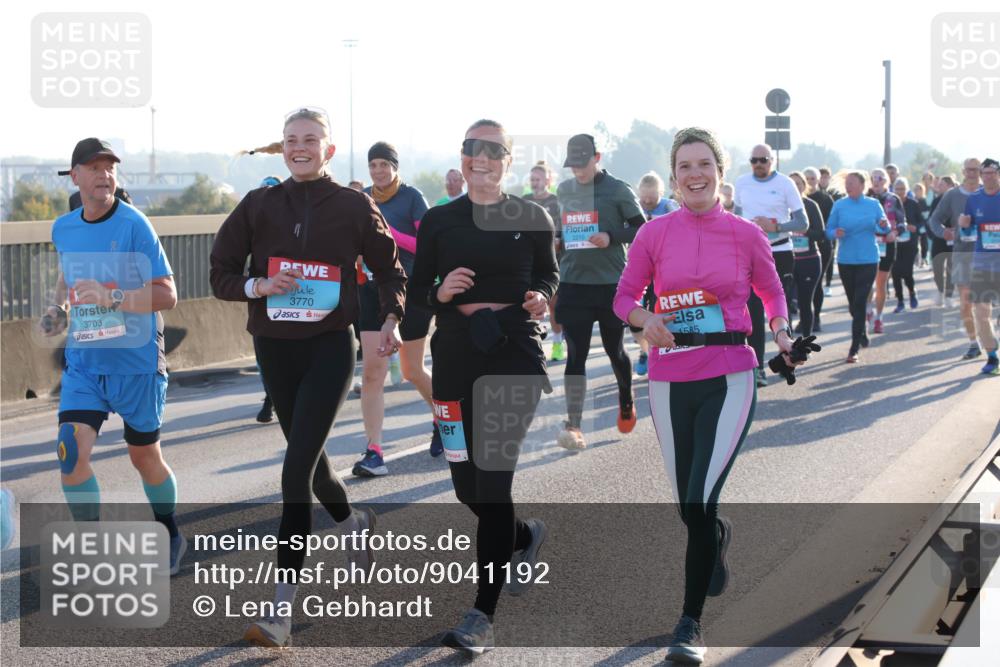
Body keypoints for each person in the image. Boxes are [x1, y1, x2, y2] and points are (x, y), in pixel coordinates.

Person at [210, 108, 406, 647]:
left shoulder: (352, 205)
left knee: (294, 476)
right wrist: (258, 287)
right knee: (314, 468)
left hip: (327, 350)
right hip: (274, 350)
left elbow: (390, 269)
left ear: (329, 150)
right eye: (292, 140)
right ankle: (352, 522)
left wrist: (391, 317)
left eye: (311, 140)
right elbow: (221, 271)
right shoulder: (258, 204)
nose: (300, 147)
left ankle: (279, 611)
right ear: (283, 147)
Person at [614, 127, 803, 665]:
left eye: (704, 164)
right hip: (669, 377)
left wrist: (784, 332)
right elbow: (624, 296)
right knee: (688, 507)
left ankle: (689, 624)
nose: (695, 174)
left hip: (730, 373)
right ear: (674, 177)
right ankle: (714, 536)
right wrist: (645, 316)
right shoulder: (653, 234)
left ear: (719, 172)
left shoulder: (745, 233)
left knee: (699, 498)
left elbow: (771, 290)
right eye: (684, 166)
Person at [410, 119, 557, 654]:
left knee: (492, 483)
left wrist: (541, 297)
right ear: (464, 156)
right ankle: (520, 536)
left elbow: (548, 275)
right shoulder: (439, 221)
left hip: (514, 352)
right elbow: (419, 292)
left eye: (494, 150)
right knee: (466, 487)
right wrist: (440, 290)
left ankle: (482, 614)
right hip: (454, 354)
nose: (482, 157)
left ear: (508, 160)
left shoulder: (533, 216)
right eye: (474, 148)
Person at [42, 137, 186, 573]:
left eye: (110, 167)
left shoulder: (135, 225)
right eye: (94, 166)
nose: (105, 173)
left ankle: (169, 532)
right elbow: (69, 275)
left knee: (144, 457)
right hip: (86, 362)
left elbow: (168, 295)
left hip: (135, 363)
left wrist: (113, 296)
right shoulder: (63, 228)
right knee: (70, 450)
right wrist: (59, 309)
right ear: (75, 176)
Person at [554, 133, 646, 449]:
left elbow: (641, 228)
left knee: (614, 349)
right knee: (575, 356)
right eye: (573, 165)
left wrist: (611, 235)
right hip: (573, 283)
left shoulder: (617, 190)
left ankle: (625, 396)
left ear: (597, 157)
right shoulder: (564, 190)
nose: (578, 171)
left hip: (609, 284)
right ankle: (574, 425)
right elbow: (560, 228)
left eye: (583, 163)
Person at [353, 141, 440, 472]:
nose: (378, 171)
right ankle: (374, 451)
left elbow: (427, 245)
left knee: (410, 370)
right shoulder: (363, 200)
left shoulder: (412, 198)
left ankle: (443, 418)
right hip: (372, 291)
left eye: (384, 164)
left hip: (411, 290)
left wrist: (389, 236)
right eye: (373, 164)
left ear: (395, 167)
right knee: (373, 372)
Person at [733, 144, 808, 386]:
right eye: (754, 160)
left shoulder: (785, 183)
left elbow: (802, 222)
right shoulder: (742, 183)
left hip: (780, 251)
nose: (758, 164)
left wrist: (775, 227)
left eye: (763, 160)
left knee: (777, 310)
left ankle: (789, 358)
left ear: (771, 161)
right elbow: (735, 218)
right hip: (749, 255)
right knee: (753, 311)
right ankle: (758, 369)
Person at [825, 171, 890, 362]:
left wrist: (884, 225)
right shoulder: (840, 205)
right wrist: (835, 232)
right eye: (847, 183)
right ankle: (861, 330)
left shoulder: (873, 204)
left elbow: (884, 228)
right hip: (846, 260)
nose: (848, 186)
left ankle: (853, 349)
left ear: (863, 185)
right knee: (854, 305)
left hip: (868, 259)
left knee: (860, 301)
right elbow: (828, 231)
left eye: (852, 183)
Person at [929, 159, 983, 359]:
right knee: (966, 301)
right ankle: (973, 343)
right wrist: (943, 233)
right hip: (961, 253)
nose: (972, 173)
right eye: (968, 169)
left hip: (988, 254)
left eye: (976, 170)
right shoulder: (952, 195)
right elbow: (934, 219)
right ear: (963, 171)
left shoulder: (991, 193)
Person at [634, 171, 680, 374]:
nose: (647, 200)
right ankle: (645, 351)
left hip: (665, 270)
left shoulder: (669, 206)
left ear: (660, 192)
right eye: (643, 195)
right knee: (635, 321)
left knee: (660, 313)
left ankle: (660, 354)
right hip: (641, 268)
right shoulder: (635, 207)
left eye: (651, 195)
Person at [958, 157, 1000, 375]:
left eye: (992, 172)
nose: (988, 176)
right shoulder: (974, 199)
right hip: (983, 264)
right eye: (985, 172)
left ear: (999, 173)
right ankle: (992, 356)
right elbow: (968, 231)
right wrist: (963, 226)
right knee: (981, 313)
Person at [525, 161, 566, 362]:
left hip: (552, 261)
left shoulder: (556, 202)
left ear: (548, 180)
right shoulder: (523, 201)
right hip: (526, 263)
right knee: (531, 304)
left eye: (538, 179)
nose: (534, 183)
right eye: (532, 179)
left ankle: (558, 344)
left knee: (554, 306)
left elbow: (561, 233)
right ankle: (534, 343)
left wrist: (557, 241)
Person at [253, 175, 284, 423]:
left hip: (292, 300)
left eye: (272, 190)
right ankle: (270, 397)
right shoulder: (251, 222)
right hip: (262, 302)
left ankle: (276, 398)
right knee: (264, 359)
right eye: (263, 190)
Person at [866, 169, 906, 334]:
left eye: (880, 178)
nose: (876, 181)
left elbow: (902, 223)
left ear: (886, 181)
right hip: (867, 245)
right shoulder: (865, 198)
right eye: (873, 178)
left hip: (887, 245)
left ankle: (879, 317)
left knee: (881, 283)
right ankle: (868, 310)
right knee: (868, 282)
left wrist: (894, 233)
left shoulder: (893, 199)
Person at [788, 171, 826, 336]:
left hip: (809, 260)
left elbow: (821, 234)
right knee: (784, 304)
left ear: (804, 186)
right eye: (792, 184)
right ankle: (786, 343)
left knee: (805, 303)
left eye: (799, 183)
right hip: (787, 261)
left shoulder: (810, 205)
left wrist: (804, 231)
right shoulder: (780, 206)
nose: (796, 187)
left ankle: (806, 341)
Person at [803, 167, 834, 330]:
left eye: (812, 179)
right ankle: (805, 317)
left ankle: (816, 317)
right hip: (801, 248)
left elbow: (831, 222)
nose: (809, 182)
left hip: (822, 246)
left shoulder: (825, 199)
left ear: (817, 180)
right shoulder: (796, 199)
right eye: (806, 179)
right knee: (801, 287)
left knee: (817, 283)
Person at [891, 177, 921, 312]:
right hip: (895, 243)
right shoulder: (890, 204)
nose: (900, 192)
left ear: (907, 190)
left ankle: (912, 293)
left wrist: (915, 227)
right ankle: (900, 301)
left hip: (910, 243)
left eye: (902, 189)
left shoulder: (913, 204)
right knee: (896, 273)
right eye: (897, 189)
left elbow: (922, 222)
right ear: (893, 190)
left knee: (907, 272)